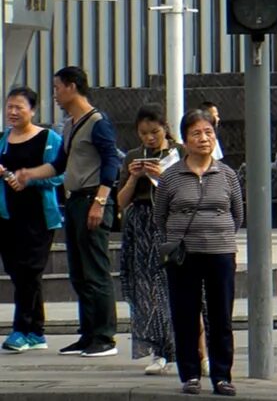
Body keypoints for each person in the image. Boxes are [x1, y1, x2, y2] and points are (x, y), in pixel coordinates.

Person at [28, 66, 124, 357]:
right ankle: (88, 333)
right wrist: (28, 174)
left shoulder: (98, 121)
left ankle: (105, 337)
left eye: (57, 88)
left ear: (72, 87)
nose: (55, 94)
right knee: (79, 272)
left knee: (96, 270)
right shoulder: (70, 124)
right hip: (74, 201)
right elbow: (59, 164)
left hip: (93, 199)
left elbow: (111, 162)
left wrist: (101, 201)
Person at [154, 108, 245, 396]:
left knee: (221, 317)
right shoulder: (170, 177)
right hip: (184, 256)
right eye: (196, 133)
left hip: (220, 253)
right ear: (185, 139)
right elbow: (160, 217)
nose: (203, 138)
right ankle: (190, 374)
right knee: (185, 315)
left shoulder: (228, 175)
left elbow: (238, 214)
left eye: (208, 132)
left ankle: (222, 375)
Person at [116, 108, 179, 375]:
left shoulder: (179, 154)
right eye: (143, 134)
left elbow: (182, 189)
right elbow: (120, 201)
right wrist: (134, 176)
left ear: (165, 128)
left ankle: (187, 349)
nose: (150, 138)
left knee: (173, 287)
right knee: (146, 290)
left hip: (169, 223)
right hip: (140, 224)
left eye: (154, 132)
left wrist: (161, 176)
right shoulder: (133, 156)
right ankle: (157, 349)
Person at [0, 87, 63, 354]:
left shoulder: (49, 138)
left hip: (38, 218)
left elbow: (60, 174)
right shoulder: (2, 139)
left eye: (19, 107)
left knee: (29, 271)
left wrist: (30, 178)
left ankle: (20, 330)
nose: (13, 112)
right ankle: (37, 331)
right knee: (19, 273)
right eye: (9, 106)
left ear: (33, 110)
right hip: (7, 217)